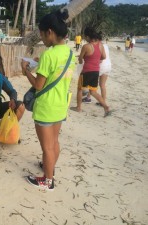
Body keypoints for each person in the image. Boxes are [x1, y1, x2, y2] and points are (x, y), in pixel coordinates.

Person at [21, 9, 75, 190]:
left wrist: (26, 70)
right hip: (61, 105)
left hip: (46, 107)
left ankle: (47, 181)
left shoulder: (48, 55)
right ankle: (50, 169)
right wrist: (40, 62)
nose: (42, 38)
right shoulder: (69, 53)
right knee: (54, 143)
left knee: (47, 148)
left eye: (42, 34)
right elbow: (57, 73)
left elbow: (38, 85)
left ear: (50, 32)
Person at [71, 27, 111, 117]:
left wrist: (81, 61)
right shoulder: (100, 45)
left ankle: (78, 108)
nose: (84, 38)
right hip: (96, 71)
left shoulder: (86, 46)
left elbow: (81, 59)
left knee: (80, 89)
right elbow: (104, 57)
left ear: (88, 36)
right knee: (93, 92)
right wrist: (96, 60)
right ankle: (106, 106)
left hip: (86, 71)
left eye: (85, 37)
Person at [83, 33, 111, 105]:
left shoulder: (98, 46)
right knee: (102, 85)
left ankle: (88, 98)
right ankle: (103, 101)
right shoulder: (105, 45)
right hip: (108, 66)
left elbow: (100, 58)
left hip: (101, 66)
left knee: (92, 83)